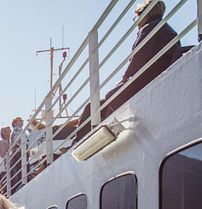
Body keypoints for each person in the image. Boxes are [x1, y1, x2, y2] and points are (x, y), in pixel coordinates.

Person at [76, 0, 181, 140]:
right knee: (107, 103)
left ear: (144, 14)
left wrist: (124, 79)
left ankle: (77, 142)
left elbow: (139, 57)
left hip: (143, 81)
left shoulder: (149, 28)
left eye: (137, 18)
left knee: (94, 106)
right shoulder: (169, 31)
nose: (137, 23)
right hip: (157, 77)